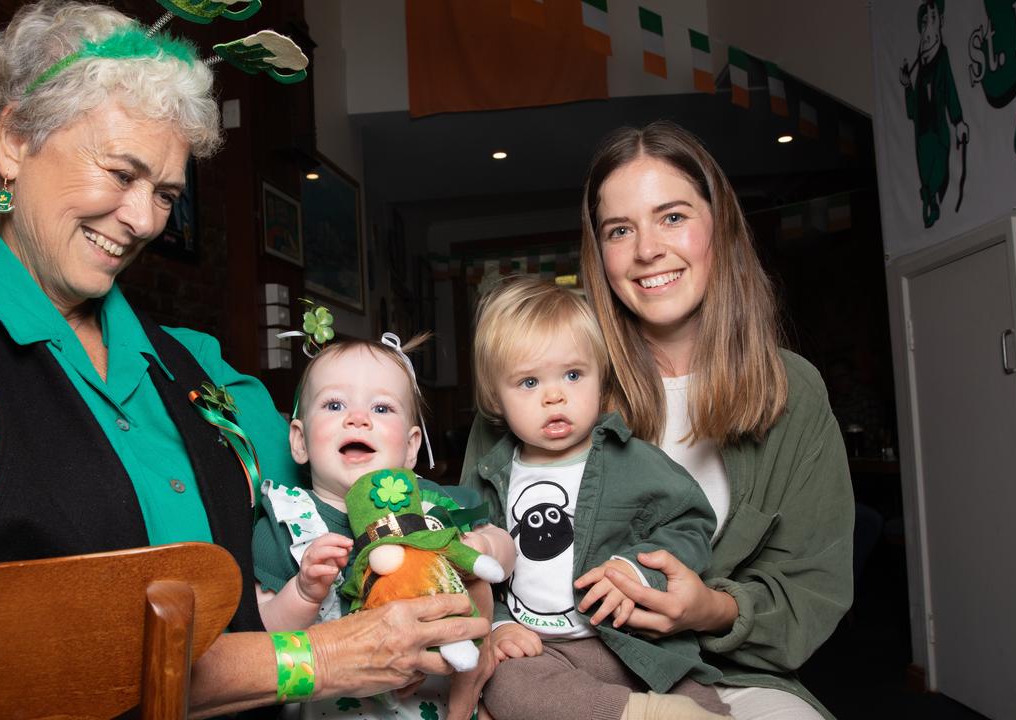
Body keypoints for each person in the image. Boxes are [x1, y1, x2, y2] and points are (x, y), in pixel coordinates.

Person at [0, 2, 488, 715]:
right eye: (122, 174)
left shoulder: (200, 365)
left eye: (166, 194)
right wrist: (319, 659)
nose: (146, 220)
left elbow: (356, 483)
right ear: (15, 142)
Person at [462, 122, 853, 720]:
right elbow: (470, 545)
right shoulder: (548, 375)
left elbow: (811, 590)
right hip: (560, 667)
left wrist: (708, 609)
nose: (648, 250)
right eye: (621, 230)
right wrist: (490, 650)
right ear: (599, 251)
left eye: (672, 217)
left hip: (726, 674)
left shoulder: (791, 390)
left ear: (717, 227)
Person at [463, 277, 728, 720]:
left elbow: (691, 522)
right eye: (528, 382)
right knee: (505, 685)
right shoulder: (489, 474)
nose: (554, 395)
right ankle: (635, 714)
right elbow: (467, 568)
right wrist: (499, 624)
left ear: (600, 380)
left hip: (634, 642)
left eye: (572, 374)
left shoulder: (631, 459)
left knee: (686, 682)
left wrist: (637, 569)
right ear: (496, 398)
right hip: (542, 649)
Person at [253, 334, 516, 719]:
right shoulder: (286, 522)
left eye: (381, 407)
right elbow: (263, 635)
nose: (357, 418)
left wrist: (486, 545)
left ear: (411, 448)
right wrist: (304, 594)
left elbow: (502, 554)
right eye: (334, 404)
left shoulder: (430, 504)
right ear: (299, 440)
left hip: (435, 702)